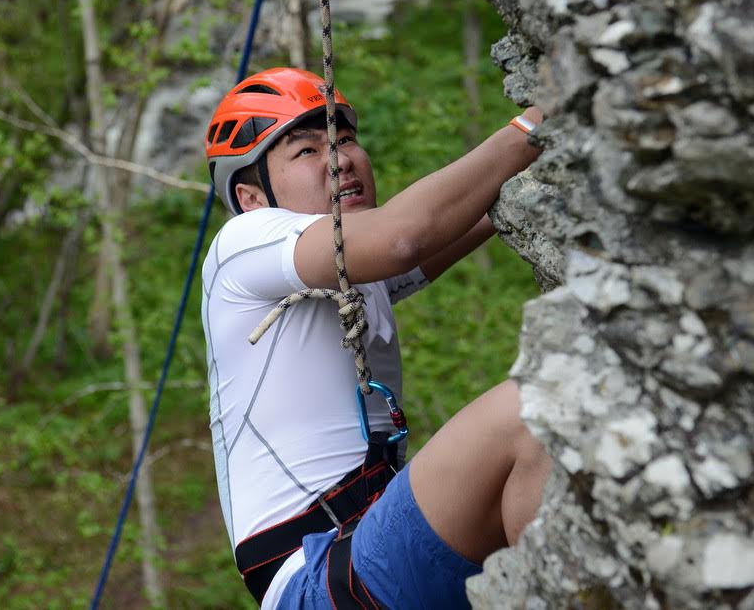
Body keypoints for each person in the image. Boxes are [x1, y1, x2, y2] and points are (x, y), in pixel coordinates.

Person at [201, 67, 551, 609]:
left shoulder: (354, 275)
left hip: (364, 555)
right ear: (251, 198)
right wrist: (536, 123)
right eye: (306, 151)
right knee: (538, 408)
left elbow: (482, 210)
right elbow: (404, 236)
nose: (340, 158)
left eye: (344, 140)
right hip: (316, 576)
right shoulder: (240, 246)